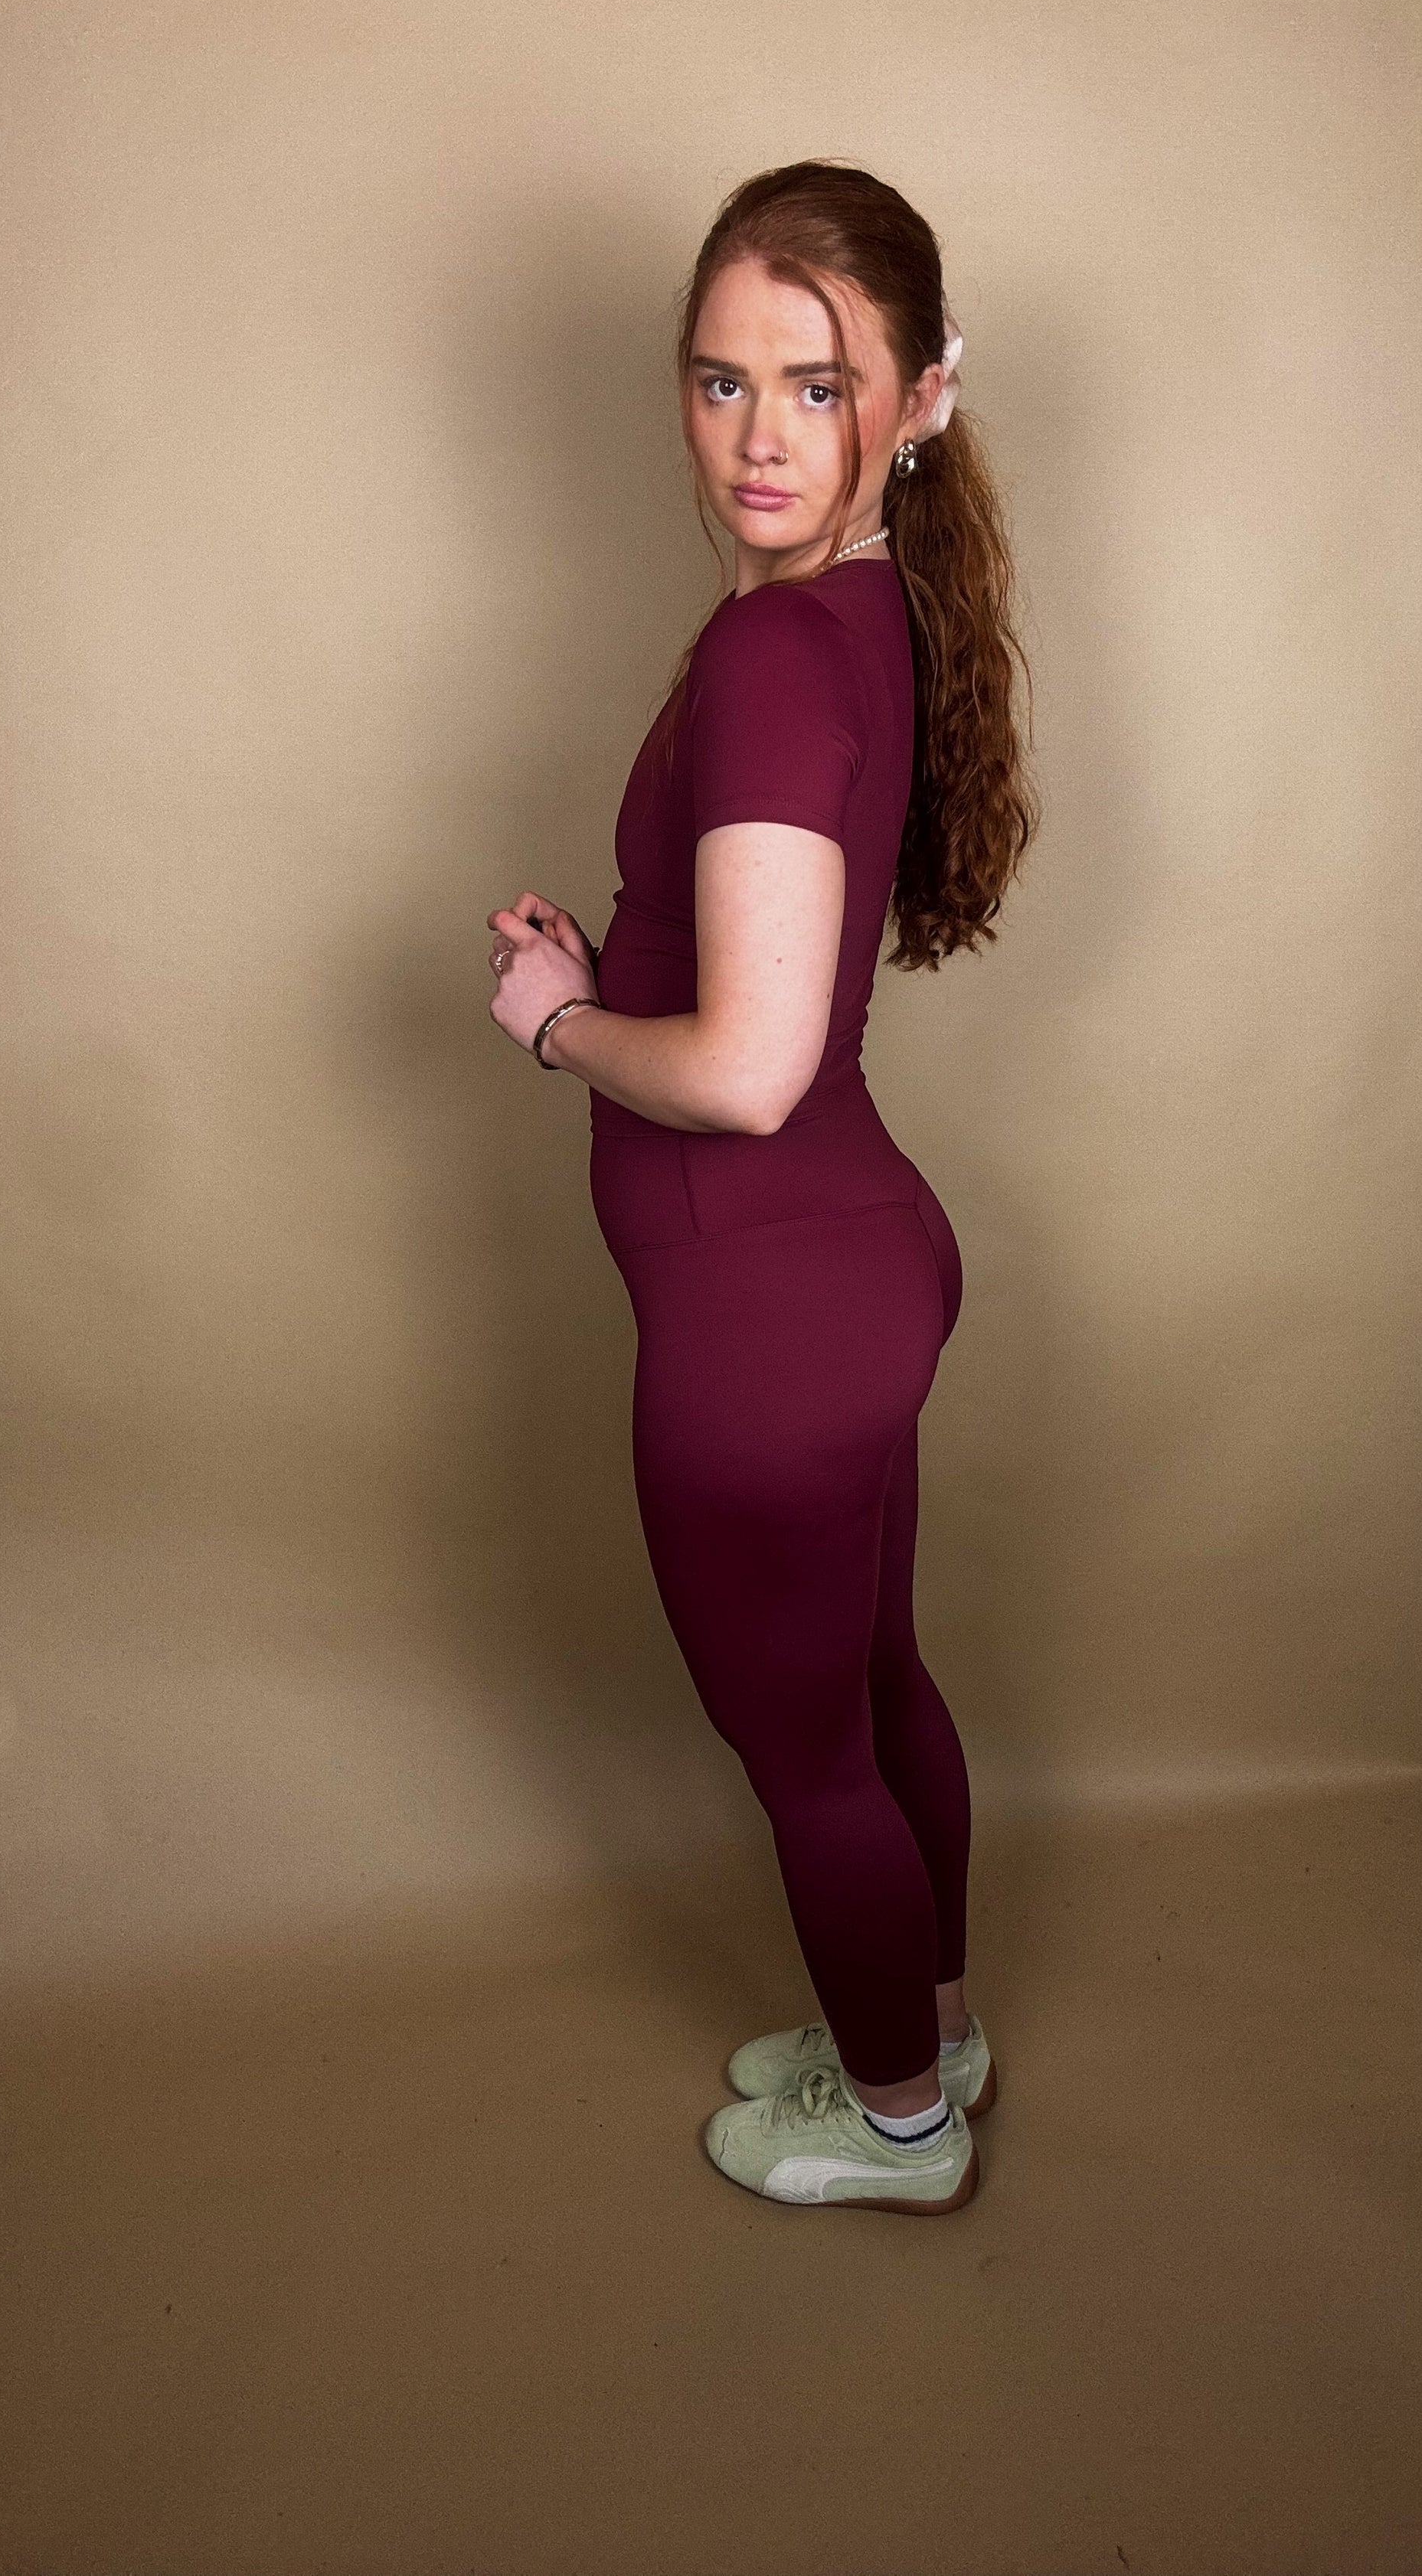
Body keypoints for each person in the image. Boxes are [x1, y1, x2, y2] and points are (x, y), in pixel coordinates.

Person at [486, 160, 1038, 2214]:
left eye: (818, 386)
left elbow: (744, 1066)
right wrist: (611, 963)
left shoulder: (774, 655)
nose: (758, 439)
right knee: (874, 1690)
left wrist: (557, 1017)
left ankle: (894, 2120)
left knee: (810, 1755)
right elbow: (763, 989)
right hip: (844, 1269)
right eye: (721, 382)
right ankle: (931, 2031)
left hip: (768, 1319)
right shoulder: (860, 615)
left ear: (919, 397)